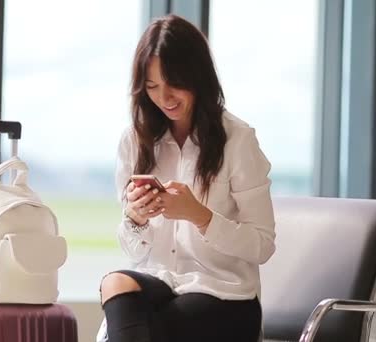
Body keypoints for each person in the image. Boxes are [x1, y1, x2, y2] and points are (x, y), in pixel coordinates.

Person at [98, 14, 276, 342]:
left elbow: (262, 246)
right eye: (152, 87)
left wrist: (200, 215)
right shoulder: (134, 142)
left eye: (174, 83)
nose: (164, 98)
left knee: (156, 323)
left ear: (197, 76)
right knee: (115, 283)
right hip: (160, 283)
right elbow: (134, 252)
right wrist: (135, 218)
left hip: (226, 295)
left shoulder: (238, 140)